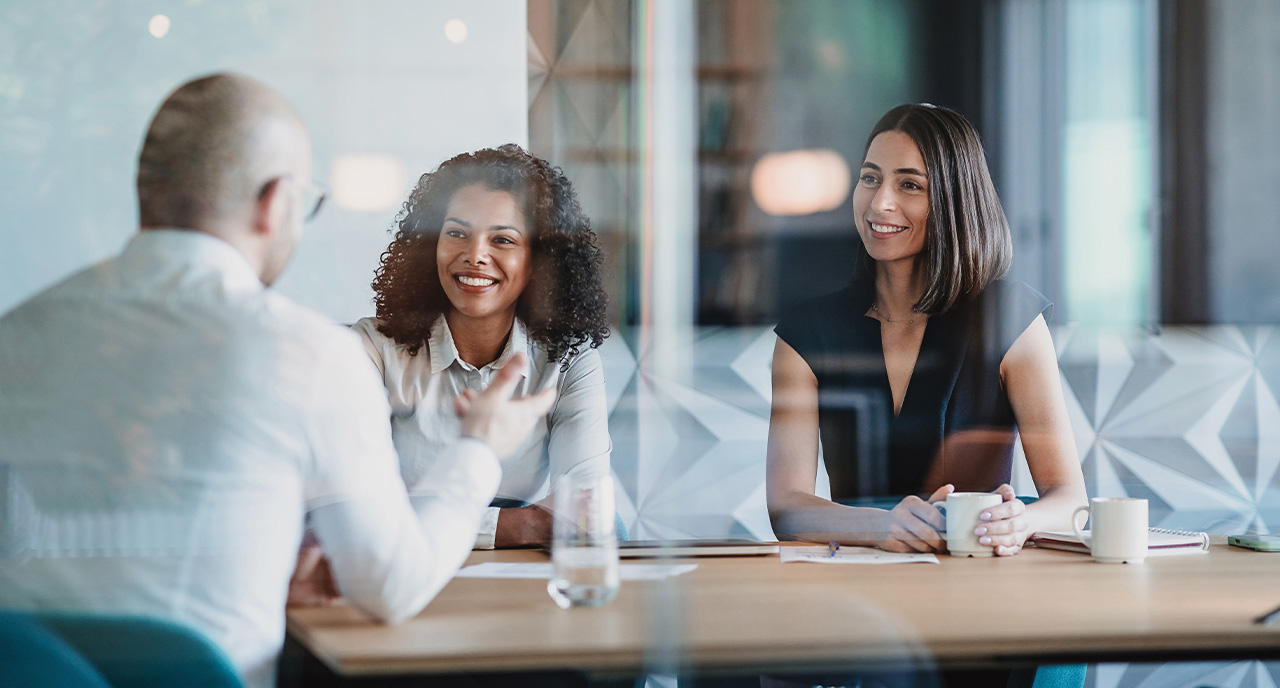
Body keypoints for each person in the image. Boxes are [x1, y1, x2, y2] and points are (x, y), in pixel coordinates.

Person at [0, 74, 555, 688]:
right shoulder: (309, 355)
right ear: (275, 201)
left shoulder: (13, 336)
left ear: (147, 193)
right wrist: (479, 449)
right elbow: (391, 587)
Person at [766, 103, 1087, 556]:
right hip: (858, 584)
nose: (880, 203)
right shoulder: (806, 333)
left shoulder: (1010, 319)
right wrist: (880, 527)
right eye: (870, 178)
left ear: (954, 200)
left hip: (980, 581)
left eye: (910, 185)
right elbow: (787, 508)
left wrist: (1021, 521)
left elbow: (1070, 499)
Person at [354, 144, 611, 549]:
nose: (474, 256)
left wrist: (425, 517)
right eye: (456, 233)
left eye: (503, 240)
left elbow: (585, 510)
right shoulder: (372, 348)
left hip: (520, 579)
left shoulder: (569, 358)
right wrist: (525, 526)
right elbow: (360, 512)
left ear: (539, 260)